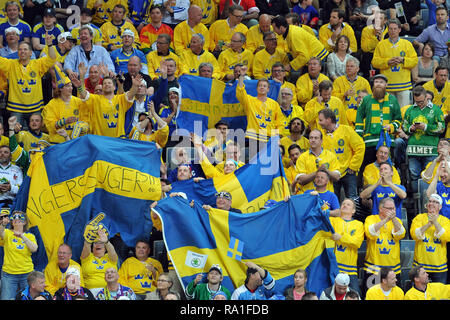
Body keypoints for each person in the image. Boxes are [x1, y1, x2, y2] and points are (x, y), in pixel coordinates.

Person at [71, 61, 141, 138]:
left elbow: (130, 95)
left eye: (109, 83)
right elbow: (84, 95)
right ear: (102, 87)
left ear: (114, 87)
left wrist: (135, 86)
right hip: (100, 141)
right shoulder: (95, 99)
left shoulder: (120, 99)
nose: (107, 84)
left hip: (118, 140)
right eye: (104, 83)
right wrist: (80, 86)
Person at [0, 34, 55, 128]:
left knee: (36, 135)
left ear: (31, 53)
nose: (22, 51)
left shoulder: (37, 64)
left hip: (35, 108)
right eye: (20, 49)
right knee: (15, 135)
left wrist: (49, 45)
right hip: (16, 108)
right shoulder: (11, 64)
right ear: (17, 52)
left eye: (25, 49)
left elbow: (52, 58)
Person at [355, 73, 402, 175]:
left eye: (381, 82)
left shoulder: (393, 99)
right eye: (376, 82)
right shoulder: (366, 100)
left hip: (388, 142)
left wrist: (391, 127)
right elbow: (359, 119)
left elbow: (398, 119)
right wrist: (359, 137)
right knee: (367, 168)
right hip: (369, 142)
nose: (378, 84)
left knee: (387, 169)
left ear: (386, 84)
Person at [403, 85, 445, 193]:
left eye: (421, 101)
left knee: (430, 176)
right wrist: (410, 128)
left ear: (426, 97)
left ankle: (428, 199)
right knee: (414, 175)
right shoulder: (410, 110)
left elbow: (441, 128)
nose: (419, 104)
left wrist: (426, 127)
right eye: (417, 102)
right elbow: (404, 126)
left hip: (430, 149)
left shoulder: (436, 110)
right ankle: (417, 200)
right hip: (414, 149)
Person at [318, 107, 364, 200]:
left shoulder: (346, 130)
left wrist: (353, 166)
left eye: (321, 120)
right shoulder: (321, 135)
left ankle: (353, 215)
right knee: (332, 200)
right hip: (331, 174)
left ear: (329, 120)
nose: (319, 122)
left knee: (352, 200)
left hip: (348, 172)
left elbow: (360, 146)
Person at [362, 197, 406, 297]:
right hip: (373, 267)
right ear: (381, 208)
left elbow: (401, 233)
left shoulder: (397, 220)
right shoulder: (371, 219)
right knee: (371, 296)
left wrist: (393, 219)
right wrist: (386, 220)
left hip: (393, 268)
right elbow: (370, 232)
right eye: (389, 209)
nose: (392, 211)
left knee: (393, 296)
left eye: (393, 209)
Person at [235, 65, 283, 155]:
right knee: (254, 163)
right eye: (260, 86)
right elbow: (240, 92)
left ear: (268, 89)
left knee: (267, 166)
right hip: (253, 138)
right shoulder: (250, 100)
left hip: (269, 139)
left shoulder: (274, 104)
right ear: (256, 89)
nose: (262, 87)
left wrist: (277, 137)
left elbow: (279, 122)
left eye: (264, 86)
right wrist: (241, 76)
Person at [371, 18, 418, 107]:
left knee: (404, 112)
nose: (393, 31)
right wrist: (387, 62)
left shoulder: (407, 44)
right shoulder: (381, 45)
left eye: (395, 29)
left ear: (399, 30)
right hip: (387, 86)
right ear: (387, 30)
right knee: (388, 113)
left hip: (404, 86)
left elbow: (414, 61)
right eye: (390, 29)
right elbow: (374, 62)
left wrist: (403, 60)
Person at [410, 193, 450, 284]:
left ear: (440, 207)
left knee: (438, 296)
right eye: (430, 201)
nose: (431, 203)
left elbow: (447, 237)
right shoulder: (419, 218)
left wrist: (435, 222)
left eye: (435, 202)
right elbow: (414, 235)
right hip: (420, 267)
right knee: (419, 295)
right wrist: (429, 224)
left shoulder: (446, 221)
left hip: (439, 267)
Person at [330, 198, 364, 294]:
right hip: (334, 266)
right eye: (343, 204)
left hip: (350, 268)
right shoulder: (332, 221)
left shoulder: (359, 224)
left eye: (348, 204)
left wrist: (341, 237)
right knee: (332, 295)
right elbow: (328, 236)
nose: (345, 205)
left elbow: (357, 242)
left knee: (355, 295)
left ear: (353, 211)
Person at [0, 210, 37, 300]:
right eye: (14, 217)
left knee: (29, 298)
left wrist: (22, 236)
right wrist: (2, 223)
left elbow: (34, 248)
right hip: (9, 275)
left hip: (27, 274)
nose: (16, 219)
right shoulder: (8, 233)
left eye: (20, 217)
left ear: (24, 222)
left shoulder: (30, 236)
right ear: (12, 221)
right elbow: (1, 233)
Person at [294, 129, 341, 193]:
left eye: (316, 138)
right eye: (311, 138)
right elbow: (300, 180)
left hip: (326, 197)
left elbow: (337, 177)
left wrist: (326, 170)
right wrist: (317, 172)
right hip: (308, 196)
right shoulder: (302, 157)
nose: (313, 140)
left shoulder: (330, 155)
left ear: (321, 141)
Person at [332, 56, 372, 128]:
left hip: (360, 114)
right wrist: (344, 94)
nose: (349, 68)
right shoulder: (338, 81)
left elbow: (370, 98)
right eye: (347, 66)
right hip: (343, 114)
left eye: (351, 66)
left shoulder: (364, 82)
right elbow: (332, 97)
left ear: (357, 69)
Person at [80, 226, 119, 297]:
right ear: (92, 247)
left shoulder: (109, 257)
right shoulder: (88, 257)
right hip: (90, 292)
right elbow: (86, 248)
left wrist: (106, 242)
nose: (98, 244)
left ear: (105, 248)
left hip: (109, 291)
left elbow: (112, 251)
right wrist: (88, 240)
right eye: (95, 243)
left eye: (101, 242)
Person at [360, 9, 388, 79]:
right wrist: (375, 38)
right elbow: (365, 48)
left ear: (385, 21)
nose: (377, 20)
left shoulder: (390, 30)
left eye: (380, 18)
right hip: (370, 56)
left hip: (385, 56)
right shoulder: (367, 30)